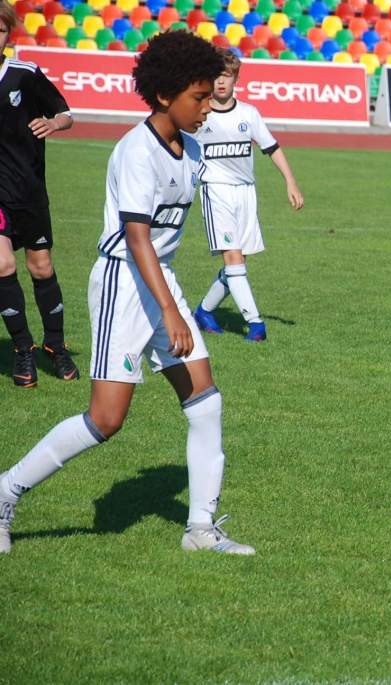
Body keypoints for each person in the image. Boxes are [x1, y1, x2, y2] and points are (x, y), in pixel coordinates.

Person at [0, 31, 254, 555]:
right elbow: (137, 237)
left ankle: (201, 530)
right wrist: (170, 311)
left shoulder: (195, 147)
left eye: (210, 97)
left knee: (205, 403)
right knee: (106, 420)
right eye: (199, 97)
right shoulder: (138, 151)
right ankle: (6, 492)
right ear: (165, 95)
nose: (208, 107)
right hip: (124, 282)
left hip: (161, 279)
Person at [192, 48, 303, 342]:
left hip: (246, 193)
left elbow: (272, 148)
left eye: (227, 76)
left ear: (236, 79)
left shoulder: (248, 114)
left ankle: (203, 311)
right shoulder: (198, 114)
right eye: (216, 76)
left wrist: (290, 182)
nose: (221, 82)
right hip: (216, 192)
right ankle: (256, 325)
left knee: (238, 263)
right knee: (233, 257)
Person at [0, 0, 78, 387]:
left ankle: (56, 346)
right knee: (1, 266)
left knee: (41, 268)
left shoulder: (24, 74)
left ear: (8, 35)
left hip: (29, 189)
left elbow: (66, 113)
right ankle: (23, 350)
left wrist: (54, 123)